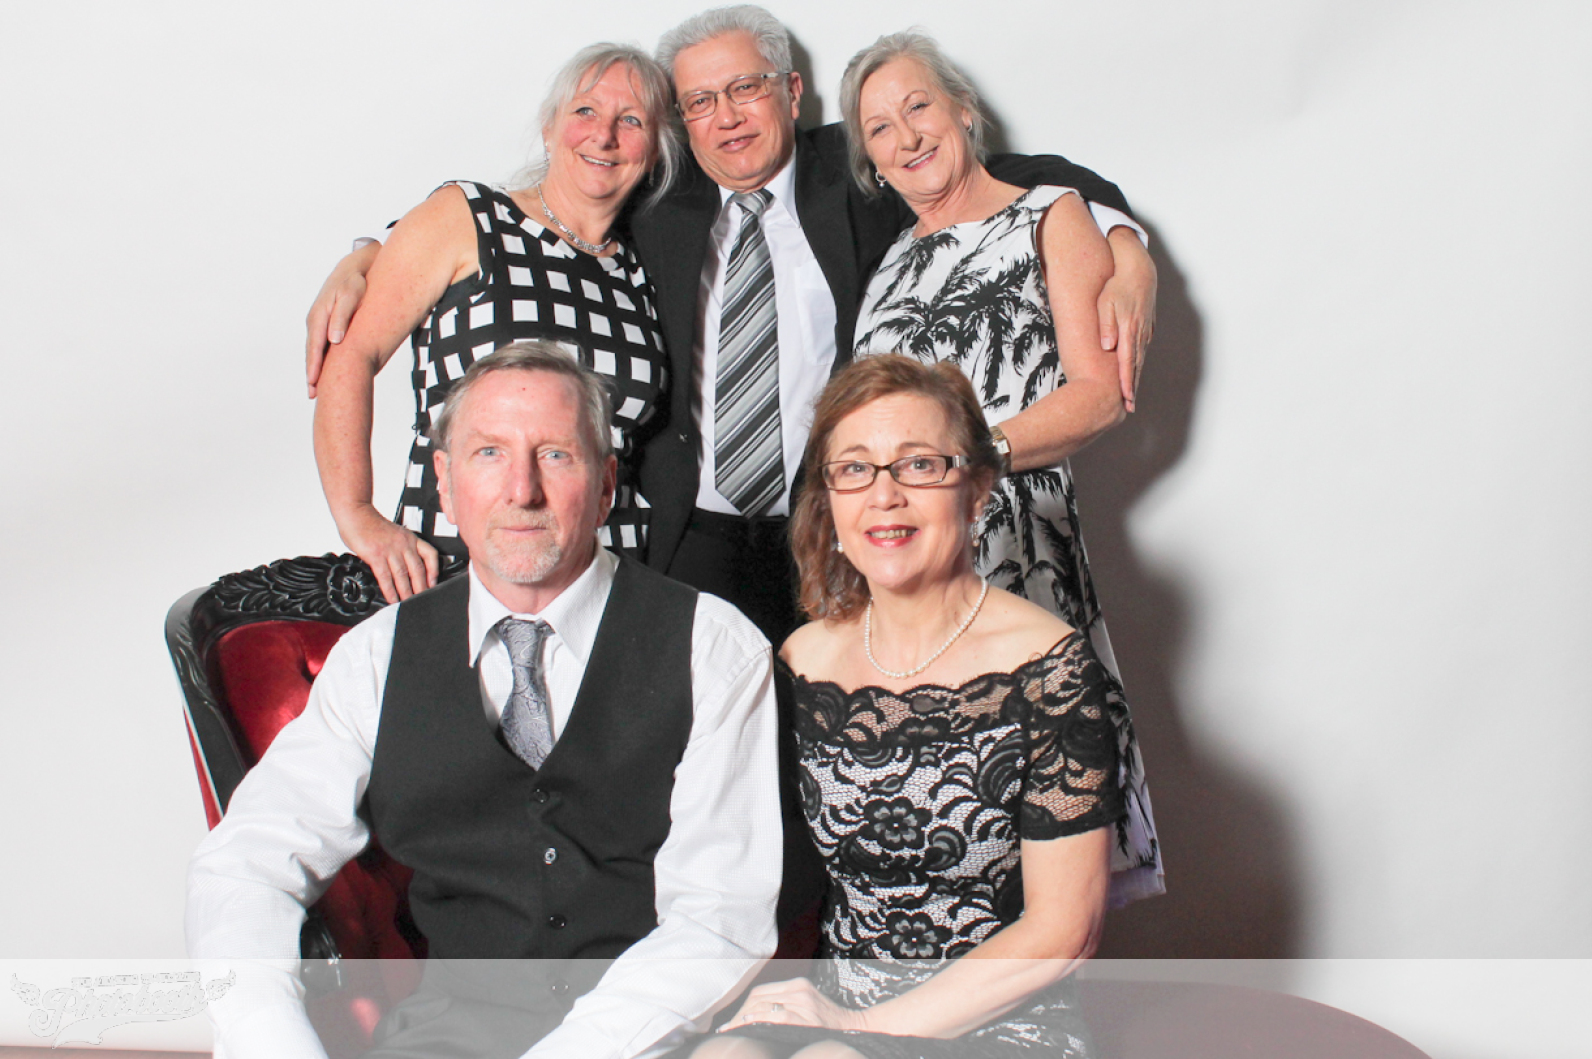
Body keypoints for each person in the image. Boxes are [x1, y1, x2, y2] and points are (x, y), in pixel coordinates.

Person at [305, 6, 1158, 647]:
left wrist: (1126, 245)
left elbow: (1009, 171)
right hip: (687, 536)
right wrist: (367, 254)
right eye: (701, 101)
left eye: (747, 88)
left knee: (834, 741)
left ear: (789, 92)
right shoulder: (657, 196)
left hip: (835, 523)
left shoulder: (855, 171)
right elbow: (531, 205)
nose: (729, 117)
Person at [187, 342, 782, 1059]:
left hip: (657, 1041)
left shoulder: (714, 648)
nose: (521, 490)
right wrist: (272, 1041)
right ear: (444, 482)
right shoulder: (377, 656)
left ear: (606, 484)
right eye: (489, 453)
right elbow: (246, 862)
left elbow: (719, 922)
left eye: (555, 455)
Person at [676, 354, 1125, 1059]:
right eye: (855, 469)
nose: (884, 495)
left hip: (1003, 1022)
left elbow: (1066, 930)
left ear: (976, 490)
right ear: (830, 499)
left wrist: (856, 1033)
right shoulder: (800, 660)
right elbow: (734, 863)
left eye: (918, 465)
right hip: (833, 1003)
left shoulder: (1050, 669)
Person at [844, 31, 1162, 904]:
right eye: (879, 128)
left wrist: (975, 459)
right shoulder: (887, 263)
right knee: (934, 827)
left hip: (1014, 549)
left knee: (1040, 830)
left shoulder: (1050, 215)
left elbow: (1100, 393)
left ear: (963, 109)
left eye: (918, 106)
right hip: (899, 573)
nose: (907, 136)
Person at [312, 43, 677, 604]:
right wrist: (356, 514)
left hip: (607, 581)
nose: (604, 135)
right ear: (549, 128)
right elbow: (351, 354)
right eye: (585, 111)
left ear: (654, 151)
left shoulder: (641, 269)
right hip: (453, 567)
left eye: (631, 121)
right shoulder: (470, 218)